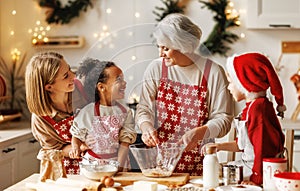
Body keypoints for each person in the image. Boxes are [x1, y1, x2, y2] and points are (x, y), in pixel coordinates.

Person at [135, 13, 234, 176]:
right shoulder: (157, 68)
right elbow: (144, 108)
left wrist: (200, 133)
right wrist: (146, 127)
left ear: (183, 46)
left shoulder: (213, 72)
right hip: (163, 166)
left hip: (201, 166)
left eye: (166, 48)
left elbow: (224, 119)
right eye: (159, 47)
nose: (160, 54)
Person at [201, 52, 286, 185]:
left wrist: (256, 180)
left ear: (245, 83)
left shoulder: (259, 110)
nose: (228, 88)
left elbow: (263, 150)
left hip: (260, 173)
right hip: (251, 169)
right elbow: (244, 146)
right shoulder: (251, 108)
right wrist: (219, 146)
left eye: (230, 82)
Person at [25, 51, 87, 181]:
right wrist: (80, 147)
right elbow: (55, 150)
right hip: (64, 170)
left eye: (69, 69)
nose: (73, 76)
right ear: (49, 87)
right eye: (65, 76)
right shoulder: (41, 118)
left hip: (95, 162)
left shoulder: (82, 92)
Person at [69, 58, 137, 171]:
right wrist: (75, 147)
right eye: (118, 80)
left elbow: (125, 143)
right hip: (92, 165)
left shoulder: (125, 112)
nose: (124, 83)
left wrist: (118, 167)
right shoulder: (88, 112)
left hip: (118, 161)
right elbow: (76, 135)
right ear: (101, 87)